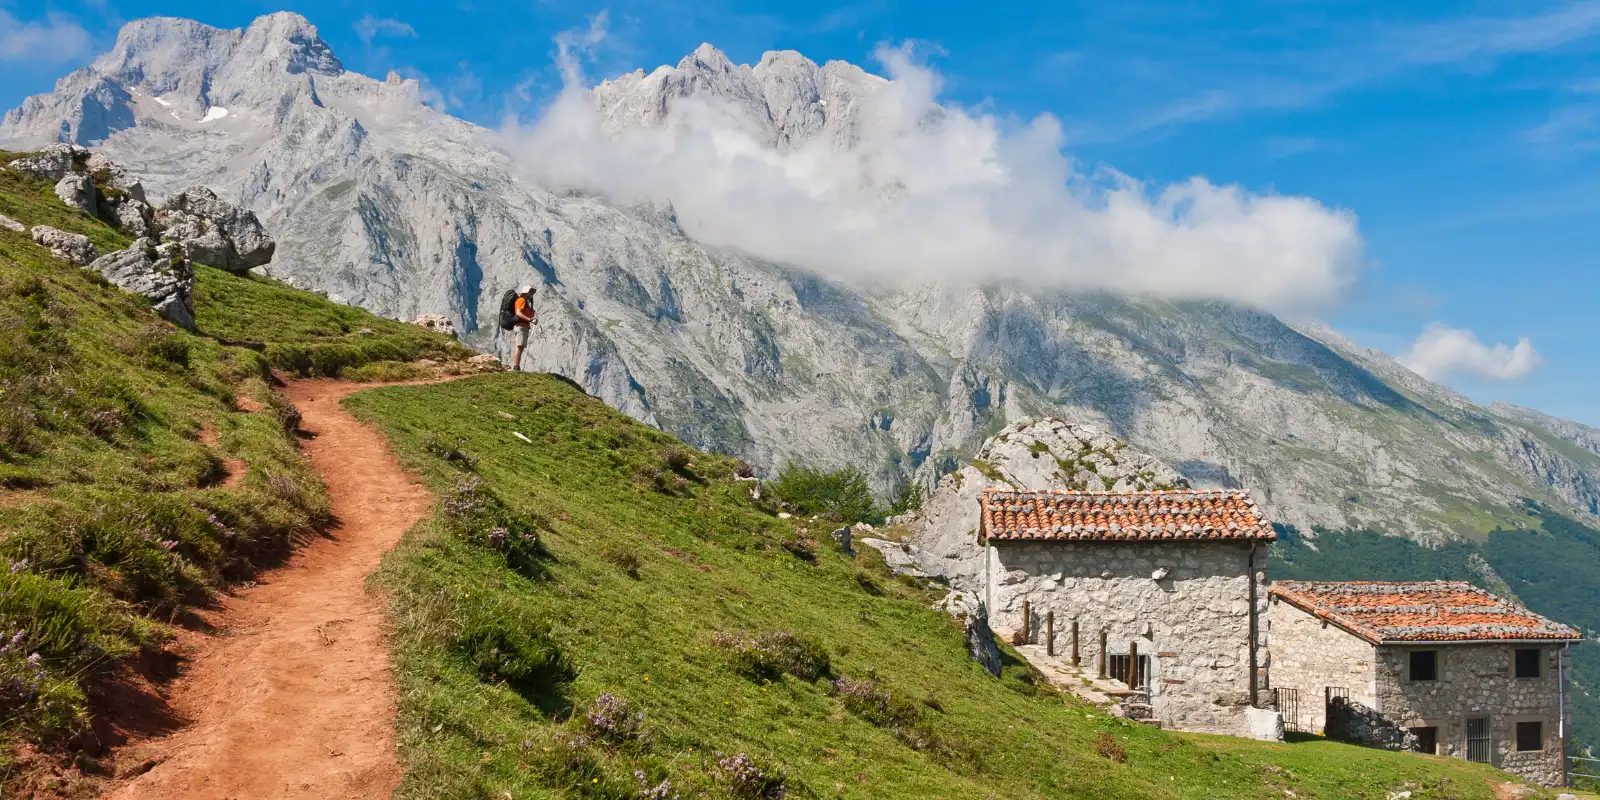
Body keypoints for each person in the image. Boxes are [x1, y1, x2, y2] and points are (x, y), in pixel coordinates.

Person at [498, 284, 537, 371]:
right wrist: (530, 320)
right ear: (526, 292)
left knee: (521, 346)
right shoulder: (521, 300)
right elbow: (518, 313)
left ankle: (517, 366)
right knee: (519, 346)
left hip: (524, 326)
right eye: (530, 292)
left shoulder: (525, 302)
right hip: (521, 326)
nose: (532, 294)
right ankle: (516, 367)